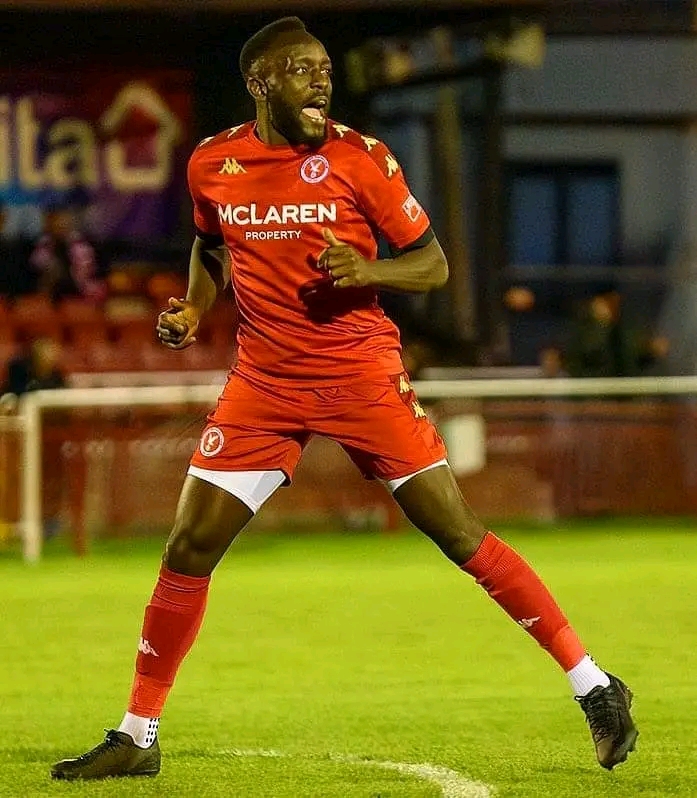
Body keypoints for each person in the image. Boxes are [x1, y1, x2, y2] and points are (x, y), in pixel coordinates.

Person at [50, 17, 638, 782]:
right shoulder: (212, 162)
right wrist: (194, 309)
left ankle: (593, 685)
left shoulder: (360, 160)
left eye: (324, 66)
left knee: (457, 534)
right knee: (189, 547)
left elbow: (431, 265)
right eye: (299, 68)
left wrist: (370, 274)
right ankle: (137, 733)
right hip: (263, 385)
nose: (319, 78)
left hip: (360, 378)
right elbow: (208, 245)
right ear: (260, 83)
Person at [30, 203, 106, 304]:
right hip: (50, 292)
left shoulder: (79, 243)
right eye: (56, 221)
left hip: (80, 290)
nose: (61, 225)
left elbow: (86, 271)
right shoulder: (45, 242)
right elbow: (37, 264)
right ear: (49, 223)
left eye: (64, 221)